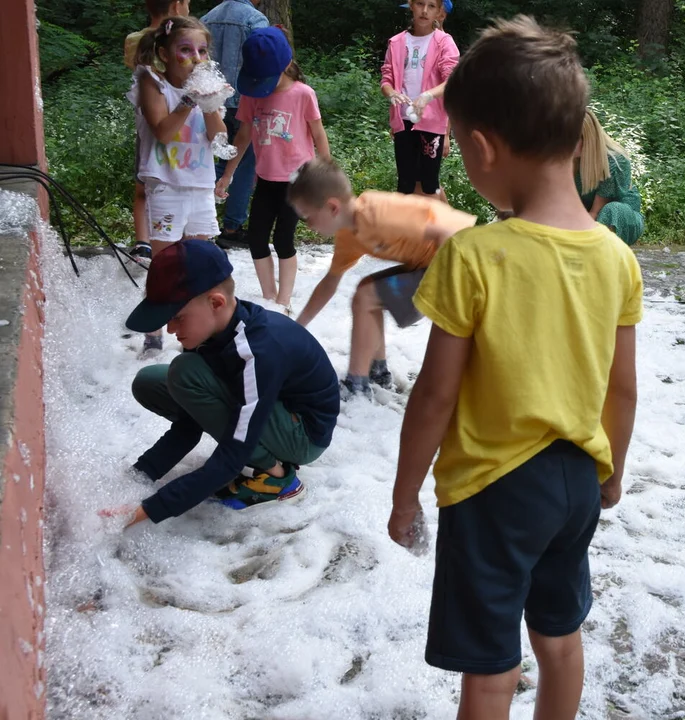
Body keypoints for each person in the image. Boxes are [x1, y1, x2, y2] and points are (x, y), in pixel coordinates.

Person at [387, 16, 641, 720]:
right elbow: (623, 389)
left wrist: (406, 496)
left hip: (492, 489)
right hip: (576, 481)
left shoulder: (475, 255)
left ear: (482, 148)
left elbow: (435, 395)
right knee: (559, 636)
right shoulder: (616, 257)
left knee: (491, 665)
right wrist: (612, 471)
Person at [100, 239, 340, 527]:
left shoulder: (259, 351)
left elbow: (232, 455)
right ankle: (267, 459)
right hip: (268, 411)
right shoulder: (210, 331)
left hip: (302, 433)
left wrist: (146, 512)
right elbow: (190, 425)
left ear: (216, 302)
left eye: (176, 318)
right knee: (150, 381)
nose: (170, 330)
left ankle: (277, 477)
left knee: (185, 373)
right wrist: (139, 476)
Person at [288, 157, 477, 400]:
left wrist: (444, 289)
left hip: (461, 262)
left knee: (367, 295)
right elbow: (329, 283)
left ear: (332, 207)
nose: (308, 225)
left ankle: (357, 383)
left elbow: (450, 231)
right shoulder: (348, 234)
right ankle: (376, 371)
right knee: (366, 291)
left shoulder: (379, 213)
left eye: (308, 216)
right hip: (432, 264)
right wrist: (298, 327)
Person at [128, 16, 229, 357]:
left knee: (201, 261)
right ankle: (153, 333)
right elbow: (163, 131)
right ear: (164, 53)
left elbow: (218, 138)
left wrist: (211, 101)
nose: (195, 58)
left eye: (202, 51)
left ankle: (200, 331)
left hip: (199, 187)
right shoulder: (152, 82)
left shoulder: (204, 89)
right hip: (167, 186)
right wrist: (188, 99)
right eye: (185, 50)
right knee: (165, 264)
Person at [215, 28, 329, 314]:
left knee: (282, 239)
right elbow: (241, 137)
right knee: (256, 238)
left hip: (297, 181)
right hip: (266, 178)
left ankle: (284, 301)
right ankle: (270, 299)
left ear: (283, 66)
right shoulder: (253, 93)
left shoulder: (303, 94)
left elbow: (319, 135)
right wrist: (227, 173)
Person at [124, 0, 192, 263]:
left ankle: (143, 243)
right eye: (186, 2)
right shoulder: (179, 39)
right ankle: (178, 237)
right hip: (175, 118)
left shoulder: (134, 39)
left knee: (143, 184)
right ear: (176, 5)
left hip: (146, 119)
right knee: (176, 179)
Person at [202, 0, 269, 248]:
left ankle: (203, 221)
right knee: (243, 162)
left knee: (216, 159)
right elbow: (264, 63)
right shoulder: (254, 19)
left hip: (212, 100)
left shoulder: (208, 17)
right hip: (245, 98)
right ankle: (231, 227)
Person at [380, 0, 459, 200]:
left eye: (431, 6)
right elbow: (386, 78)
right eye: (420, 4)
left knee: (429, 183)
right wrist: (391, 94)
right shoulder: (396, 42)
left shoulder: (444, 42)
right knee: (405, 183)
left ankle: (439, 230)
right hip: (403, 120)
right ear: (411, 6)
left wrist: (428, 96)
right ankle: (407, 230)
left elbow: (452, 81)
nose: (424, 11)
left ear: (439, 11)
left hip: (431, 122)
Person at [575, 109, 645, 245]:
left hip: (619, 216)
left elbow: (595, 213)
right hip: (585, 214)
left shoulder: (614, 162)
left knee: (611, 211)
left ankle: (602, 256)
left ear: (588, 138)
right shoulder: (564, 158)